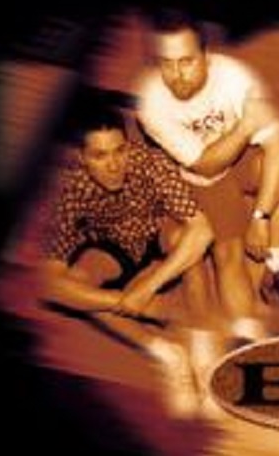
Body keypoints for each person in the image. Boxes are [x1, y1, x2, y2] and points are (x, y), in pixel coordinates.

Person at [39, 102, 216, 419]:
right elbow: (52, 285)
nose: (114, 165)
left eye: (119, 151)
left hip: (157, 233)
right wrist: (132, 304)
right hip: (113, 249)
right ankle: (167, 354)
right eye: (99, 156)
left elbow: (202, 231)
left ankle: (204, 356)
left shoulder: (151, 163)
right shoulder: (71, 187)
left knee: (187, 240)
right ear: (81, 157)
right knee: (76, 285)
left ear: (129, 145)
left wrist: (147, 288)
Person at [135, 8, 279, 348]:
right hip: (205, 177)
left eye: (186, 61)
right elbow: (205, 166)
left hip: (242, 157)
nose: (177, 75)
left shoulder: (236, 76)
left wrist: (261, 216)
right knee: (229, 253)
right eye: (166, 63)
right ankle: (246, 337)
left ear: (207, 56)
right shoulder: (150, 104)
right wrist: (246, 125)